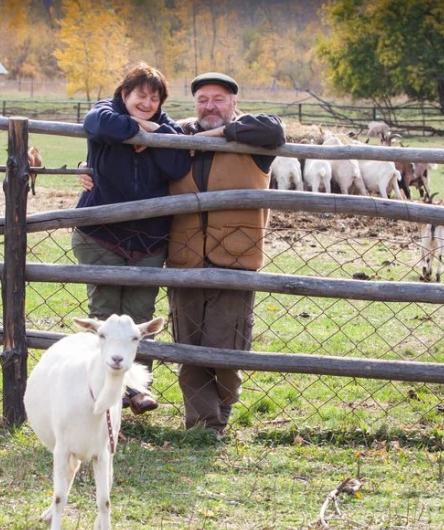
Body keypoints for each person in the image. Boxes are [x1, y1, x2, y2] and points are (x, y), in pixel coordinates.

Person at [166, 72, 285, 436]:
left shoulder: (253, 138)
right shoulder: (176, 137)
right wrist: (83, 170)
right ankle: (205, 426)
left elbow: (274, 131)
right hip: (185, 258)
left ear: (234, 103)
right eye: (202, 99)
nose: (210, 106)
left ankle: (223, 406)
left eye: (218, 99)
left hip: (236, 258)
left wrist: (216, 133)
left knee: (227, 349)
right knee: (189, 348)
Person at [73, 62, 191, 414]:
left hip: (148, 241)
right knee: (107, 316)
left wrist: (153, 136)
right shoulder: (105, 113)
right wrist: (142, 130)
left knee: (141, 319)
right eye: (140, 95)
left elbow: (178, 165)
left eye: (154, 98)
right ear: (124, 94)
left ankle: (137, 389)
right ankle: (103, 395)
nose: (147, 102)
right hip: (101, 236)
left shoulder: (166, 128)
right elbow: (98, 124)